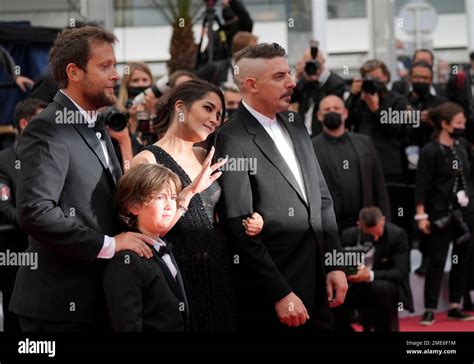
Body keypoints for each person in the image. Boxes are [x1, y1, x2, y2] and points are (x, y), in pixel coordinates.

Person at [9, 26, 156, 332]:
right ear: (74, 72)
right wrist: (108, 244)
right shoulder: (48, 128)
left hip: (98, 299)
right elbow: (36, 212)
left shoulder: (99, 124)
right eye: (105, 67)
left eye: (114, 65)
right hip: (59, 306)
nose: (116, 75)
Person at [214, 43, 348, 333]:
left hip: (319, 281)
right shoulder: (232, 138)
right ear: (251, 85)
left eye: (288, 74)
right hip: (276, 293)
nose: (292, 82)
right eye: (279, 77)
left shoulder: (295, 122)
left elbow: (321, 198)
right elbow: (239, 225)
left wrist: (335, 262)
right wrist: (279, 292)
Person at [132, 79, 264, 332]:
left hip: (219, 270)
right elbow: (147, 232)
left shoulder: (207, 155)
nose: (215, 118)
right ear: (180, 107)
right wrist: (189, 192)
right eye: (208, 108)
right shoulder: (147, 159)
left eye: (219, 114)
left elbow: (227, 212)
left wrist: (255, 220)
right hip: (178, 275)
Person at [104, 164, 189, 332]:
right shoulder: (126, 260)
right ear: (134, 206)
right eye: (160, 197)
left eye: (172, 197)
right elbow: (126, 325)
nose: (170, 205)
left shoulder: (164, 248)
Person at [415, 102, 474, 325]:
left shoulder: (462, 147)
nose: (462, 126)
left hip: (465, 212)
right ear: (444, 124)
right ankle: (429, 308)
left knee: (463, 259)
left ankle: (455, 305)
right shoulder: (430, 151)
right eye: (458, 123)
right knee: (437, 260)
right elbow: (421, 185)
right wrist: (421, 216)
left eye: (463, 123)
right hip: (439, 213)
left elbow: (468, 178)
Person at [0, 98, 46, 333]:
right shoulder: (4, 160)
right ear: (25, 124)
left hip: (51, 249)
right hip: (15, 248)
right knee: (14, 308)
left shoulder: (52, 157)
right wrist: (39, 222)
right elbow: (4, 206)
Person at [312, 95, 390, 232]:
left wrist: (384, 219)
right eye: (327, 109)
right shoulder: (309, 147)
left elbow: (378, 183)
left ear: (345, 113)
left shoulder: (364, 142)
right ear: (319, 116)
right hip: (328, 225)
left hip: (364, 222)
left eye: (336, 108)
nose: (332, 111)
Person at [335, 207, 414, 332]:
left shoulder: (397, 235)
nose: (376, 238)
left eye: (379, 232)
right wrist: (348, 274)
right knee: (333, 290)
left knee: (378, 288)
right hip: (355, 285)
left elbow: (401, 272)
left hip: (385, 284)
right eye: (370, 235)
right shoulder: (347, 235)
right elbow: (338, 264)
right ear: (359, 225)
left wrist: (369, 275)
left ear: (383, 220)